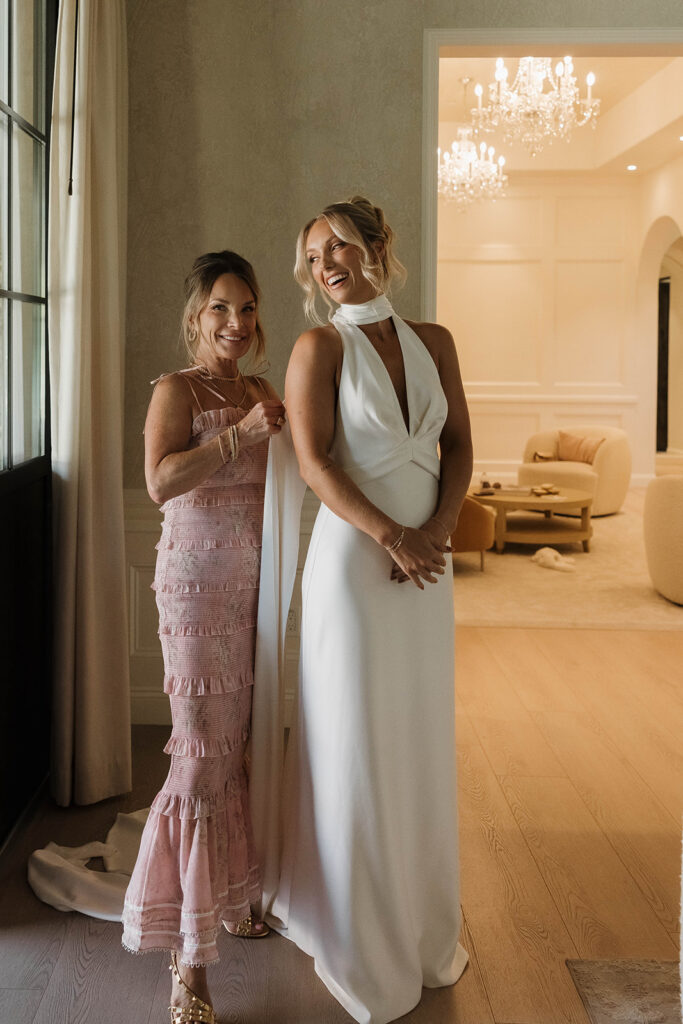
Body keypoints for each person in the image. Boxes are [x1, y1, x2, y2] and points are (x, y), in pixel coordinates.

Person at [265, 197, 473, 1024]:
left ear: (377, 247)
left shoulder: (436, 341)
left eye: (340, 246)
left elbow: (457, 443)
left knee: (415, 730)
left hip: (428, 563)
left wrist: (439, 531)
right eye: (315, 256)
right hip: (355, 566)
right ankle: (356, 932)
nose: (328, 266)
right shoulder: (318, 346)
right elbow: (314, 464)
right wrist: (392, 535)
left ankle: (421, 927)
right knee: (354, 733)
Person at [121, 250, 285, 1024]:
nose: (236, 322)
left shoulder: (261, 389)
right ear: (196, 317)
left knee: (239, 750)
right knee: (197, 754)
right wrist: (239, 437)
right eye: (221, 308)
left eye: (247, 308)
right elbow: (157, 481)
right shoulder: (175, 389)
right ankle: (187, 963)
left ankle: (230, 896)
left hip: (256, 589)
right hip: (193, 589)